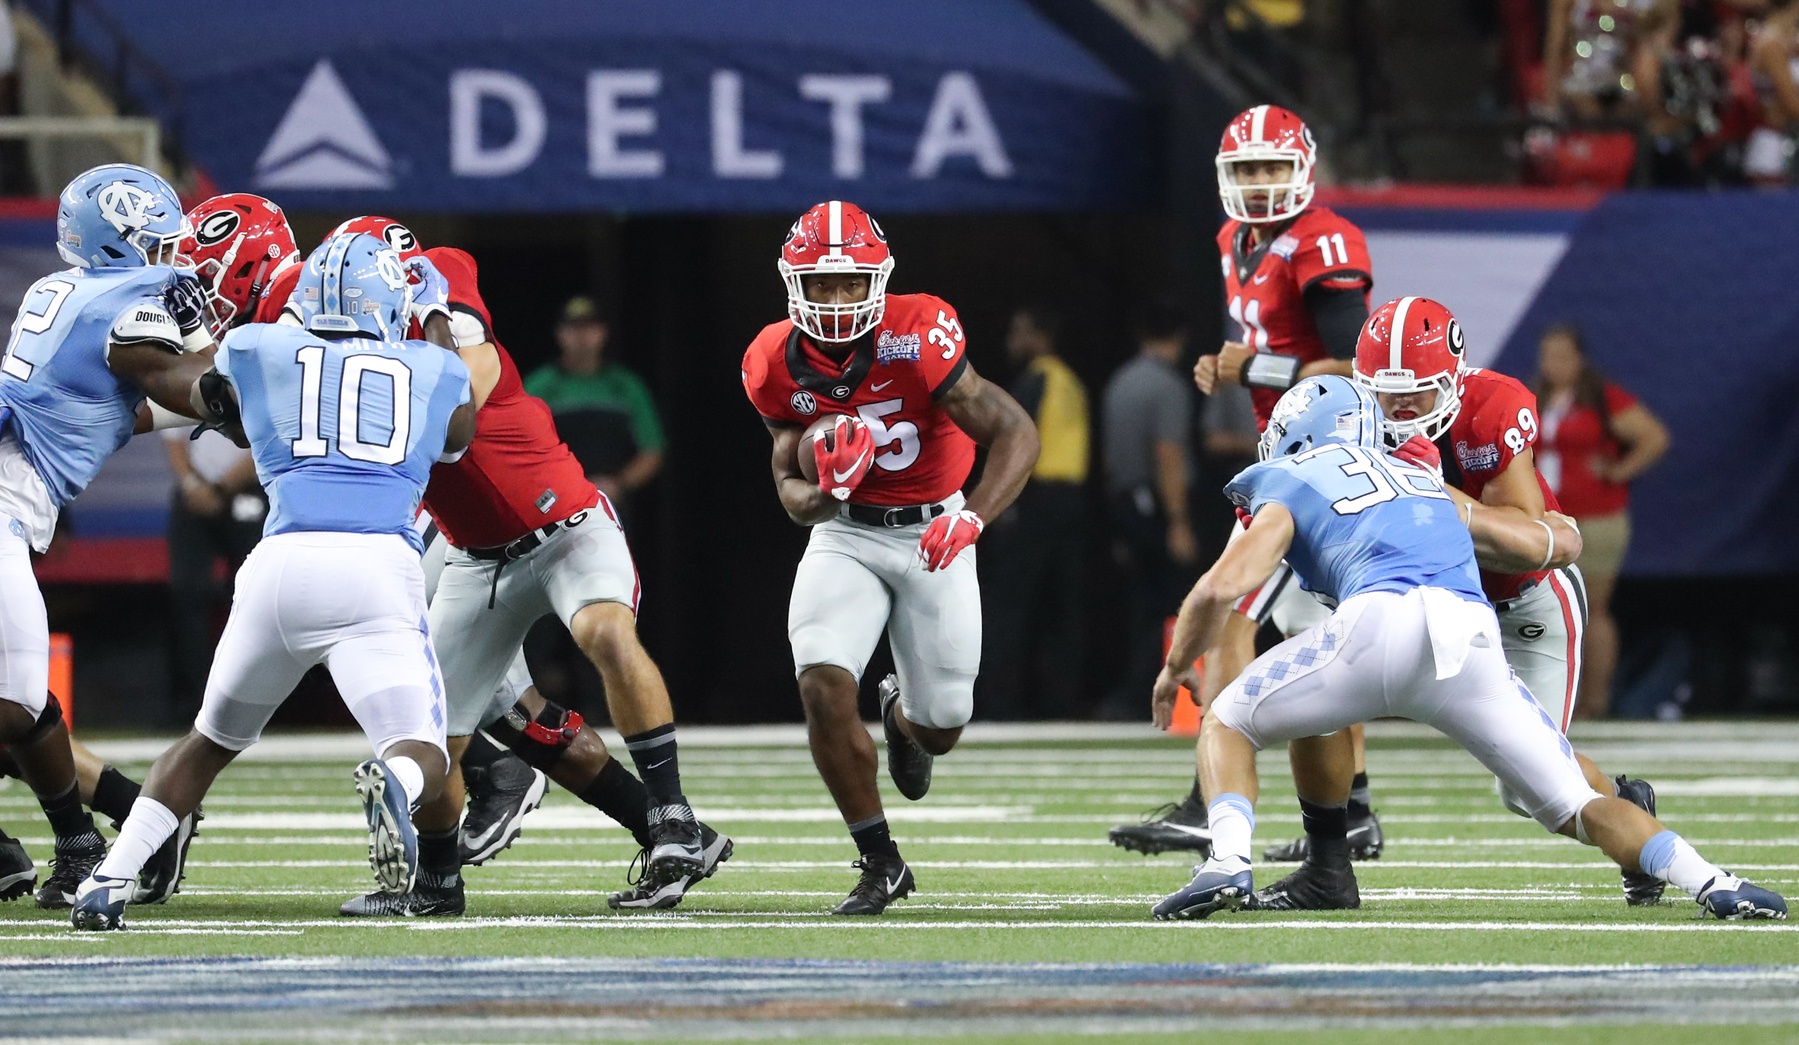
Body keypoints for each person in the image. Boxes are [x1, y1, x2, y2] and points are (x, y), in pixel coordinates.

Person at [1148, 375, 1785, 923]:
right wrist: (1555, 536)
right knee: (1578, 806)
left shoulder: (1288, 473)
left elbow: (1221, 589)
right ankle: (1714, 882)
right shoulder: (1421, 474)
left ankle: (1228, 862)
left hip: (1377, 626)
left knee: (1228, 719)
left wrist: (1177, 667)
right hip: (1471, 638)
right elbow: (1514, 540)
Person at [322, 217, 728, 917]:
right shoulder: (352, 361)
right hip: (476, 563)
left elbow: (465, 388)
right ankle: (438, 884)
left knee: (603, 631)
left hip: (565, 526)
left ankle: (671, 816)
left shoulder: (444, 307)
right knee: (427, 735)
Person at [70, 231, 476, 931]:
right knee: (421, 749)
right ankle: (395, 784)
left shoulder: (260, 348)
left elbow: (190, 386)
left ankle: (108, 879)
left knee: (208, 740)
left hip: (280, 566)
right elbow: (459, 435)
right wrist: (435, 315)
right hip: (375, 567)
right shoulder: (428, 365)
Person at [1239, 296, 1661, 912]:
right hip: (1420, 602)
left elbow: (1524, 541)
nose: (1401, 409)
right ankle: (1328, 864)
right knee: (1316, 700)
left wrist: (1433, 493)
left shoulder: (1493, 407)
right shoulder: (1350, 416)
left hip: (1523, 603)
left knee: (1527, 788)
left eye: (1420, 393)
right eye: (1385, 394)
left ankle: (1629, 810)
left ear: (1456, 382)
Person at [179, 198, 549, 870]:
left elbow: (449, 381)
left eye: (209, 279)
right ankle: (513, 788)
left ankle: (494, 782)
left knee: (418, 656)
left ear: (248, 265)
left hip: (401, 490)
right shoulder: (290, 306)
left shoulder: (296, 301)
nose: (204, 298)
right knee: (404, 662)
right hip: (392, 489)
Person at [742, 200, 1039, 914]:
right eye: (823, 283)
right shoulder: (770, 359)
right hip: (847, 532)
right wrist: (825, 490)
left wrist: (972, 517)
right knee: (818, 679)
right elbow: (788, 487)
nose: (839, 299)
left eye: (852, 283)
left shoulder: (920, 331)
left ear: (878, 280)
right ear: (794, 285)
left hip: (934, 529)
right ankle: (879, 858)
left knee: (942, 723)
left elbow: (1016, 431)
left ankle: (901, 717)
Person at [1112, 104, 1374, 857]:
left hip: (1317, 458)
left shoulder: (1323, 239)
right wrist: (1228, 365)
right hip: (1284, 451)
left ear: (1303, 169)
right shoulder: (1234, 239)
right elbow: (1259, 346)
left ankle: (1210, 801)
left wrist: (1250, 366)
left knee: (1226, 610)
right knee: (1311, 632)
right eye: (1247, 169)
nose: (1259, 184)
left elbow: (1358, 363)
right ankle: (1352, 811)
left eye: (1271, 167)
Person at [0, 164, 217, 909]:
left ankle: (97, 832)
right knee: (14, 700)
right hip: (7, 499)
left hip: (11, 495)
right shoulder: (131, 304)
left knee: (15, 701)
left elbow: (111, 410)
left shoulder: (57, 291)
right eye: (155, 245)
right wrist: (222, 342)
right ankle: (100, 831)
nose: (170, 261)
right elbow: (194, 390)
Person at [1532, 323, 1670, 718]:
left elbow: (1654, 436)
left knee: (1592, 607)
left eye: (1562, 356)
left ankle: (1595, 700)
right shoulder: (1536, 398)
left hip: (1597, 517)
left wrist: (1616, 471)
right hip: (1546, 518)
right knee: (1540, 606)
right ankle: (1549, 698)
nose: (1554, 365)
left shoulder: (1602, 398)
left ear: (1579, 359)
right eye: (1548, 356)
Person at [980, 305, 1089, 720]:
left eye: (1018, 333)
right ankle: (1060, 702)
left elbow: (1014, 442)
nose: (1012, 343)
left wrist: (1001, 504)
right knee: (1062, 608)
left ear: (1038, 336)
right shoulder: (1071, 380)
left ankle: (1001, 704)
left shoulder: (1038, 378)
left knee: (1012, 604)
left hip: (1037, 499)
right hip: (1070, 503)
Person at [1101, 303, 1198, 717]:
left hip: (1124, 504)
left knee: (1135, 604)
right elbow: (1168, 454)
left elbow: (1109, 459)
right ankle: (1150, 696)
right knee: (1167, 606)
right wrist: (1178, 522)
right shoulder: (1167, 386)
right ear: (1178, 338)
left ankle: (1129, 694)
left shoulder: (1119, 382)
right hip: (1155, 508)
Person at [522, 296, 665, 512]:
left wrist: (618, 484)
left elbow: (652, 449)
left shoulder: (626, 385)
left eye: (589, 328)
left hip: (612, 505)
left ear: (603, 332)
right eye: (574, 329)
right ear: (560, 334)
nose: (582, 337)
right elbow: (520, 449)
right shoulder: (539, 385)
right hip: (553, 506)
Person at [161, 426, 262, 716]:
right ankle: (190, 703)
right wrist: (194, 485)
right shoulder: (185, 381)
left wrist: (220, 488)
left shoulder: (262, 381)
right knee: (186, 592)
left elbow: (271, 441)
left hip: (248, 489)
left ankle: (251, 702)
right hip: (195, 492)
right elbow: (173, 438)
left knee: (252, 597)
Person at [1743, 0, 1799, 184]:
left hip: (1785, 143)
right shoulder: (1771, 45)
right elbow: (1792, 104)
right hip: (1773, 148)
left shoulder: (1780, 41)